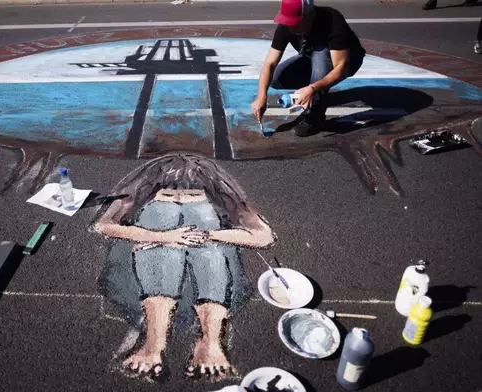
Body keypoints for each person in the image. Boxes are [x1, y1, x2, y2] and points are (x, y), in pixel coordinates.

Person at [92, 153, 276, 379]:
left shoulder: (216, 195)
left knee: (211, 251)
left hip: (205, 230)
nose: (181, 199)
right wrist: (164, 236)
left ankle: (210, 342)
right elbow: (104, 224)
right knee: (163, 231)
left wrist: (209, 235)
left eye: (191, 194)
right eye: (170, 193)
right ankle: (153, 344)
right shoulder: (146, 192)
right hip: (160, 229)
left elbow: (264, 236)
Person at [251, 0, 366, 137]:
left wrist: (312, 89)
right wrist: (261, 96)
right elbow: (270, 63)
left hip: (348, 60)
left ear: (310, 15)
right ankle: (316, 93)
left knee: (320, 53)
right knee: (277, 78)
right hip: (312, 56)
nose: (291, 27)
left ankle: (315, 115)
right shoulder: (287, 25)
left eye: (295, 22)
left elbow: (341, 69)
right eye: (288, 21)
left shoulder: (332, 20)